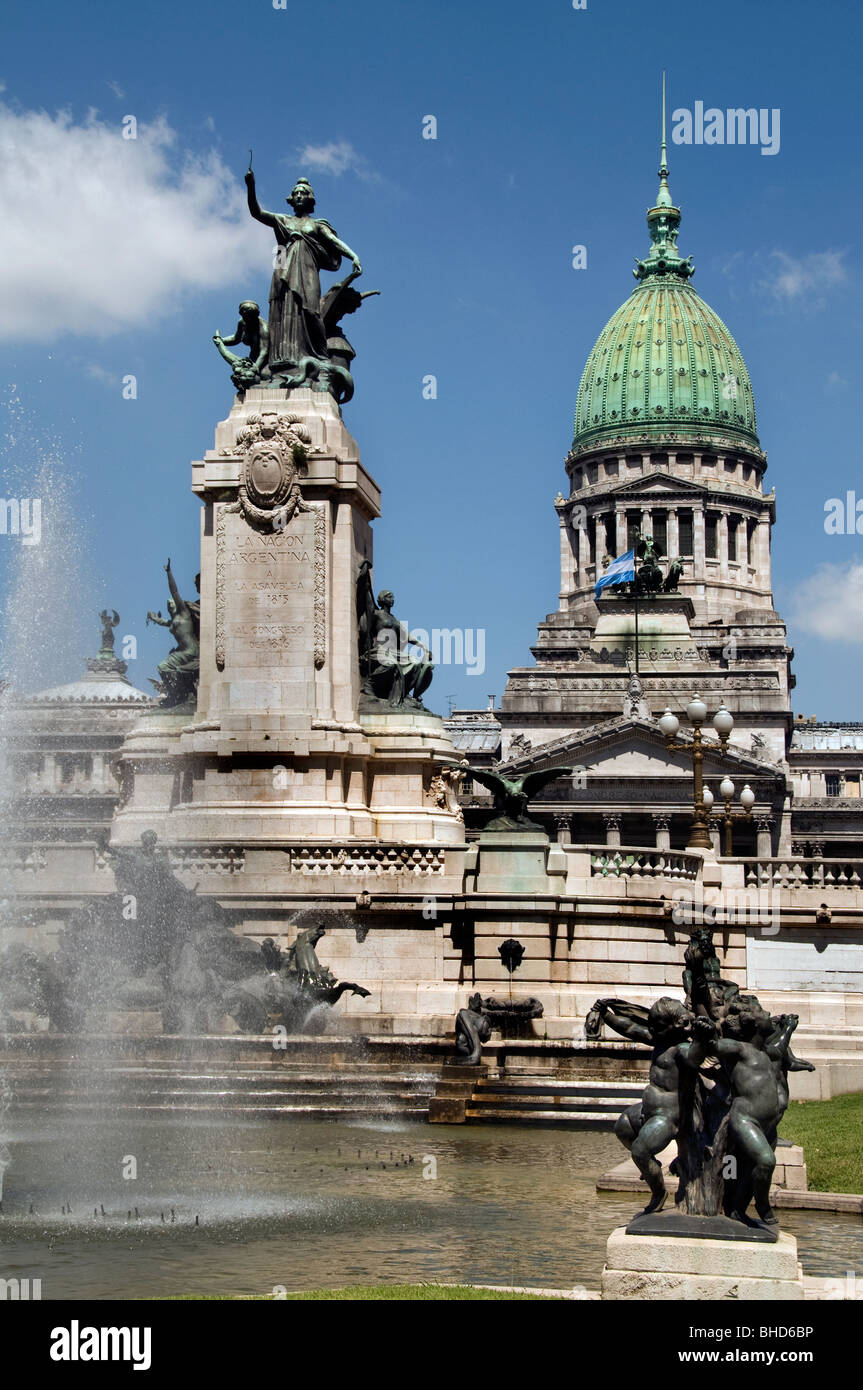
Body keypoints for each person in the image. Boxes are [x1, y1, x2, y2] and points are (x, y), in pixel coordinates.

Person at [245, 169, 362, 374]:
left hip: (307, 273)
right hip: (284, 269)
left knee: (310, 311)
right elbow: (256, 212)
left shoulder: (316, 224)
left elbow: (333, 241)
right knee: (283, 311)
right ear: (292, 198)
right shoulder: (283, 220)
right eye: (296, 193)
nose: (299, 196)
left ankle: (318, 356)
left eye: (303, 193)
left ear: (310, 198)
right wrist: (251, 186)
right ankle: (284, 359)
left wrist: (353, 255)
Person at [594, 996, 695, 1214]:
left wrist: (705, 1038)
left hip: (669, 1116)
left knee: (640, 1151)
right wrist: (606, 1015)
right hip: (648, 1111)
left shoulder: (683, 1050)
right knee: (622, 1126)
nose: (652, 1030)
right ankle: (652, 1166)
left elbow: (698, 1057)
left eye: (657, 1026)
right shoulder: (660, 1040)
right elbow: (630, 1027)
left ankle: (658, 1193)